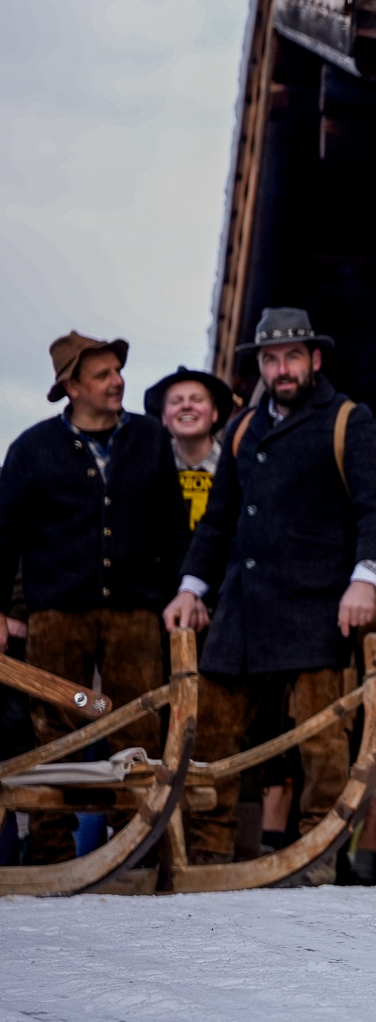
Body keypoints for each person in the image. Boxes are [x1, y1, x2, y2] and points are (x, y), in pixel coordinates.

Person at [165, 308, 376, 880]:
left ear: (314, 359)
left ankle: (318, 857)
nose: (282, 369)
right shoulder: (243, 427)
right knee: (213, 733)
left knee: (322, 740)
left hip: (319, 606)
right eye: (270, 360)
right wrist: (191, 587)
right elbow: (218, 520)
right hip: (242, 607)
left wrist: (365, 579)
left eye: (293, 356)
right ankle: (208, 853)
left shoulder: (348, 419)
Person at [0, 332, 185, 863]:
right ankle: (52, 852)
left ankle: (137, 850)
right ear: (72, 387)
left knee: (139, 728)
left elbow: (173, 527)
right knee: (53, 729)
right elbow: (5, 536)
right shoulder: (32, 448)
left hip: (136, 611)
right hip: (57, 613)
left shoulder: (151, 437)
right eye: (102, 375)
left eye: (117, 371)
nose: (117, 381)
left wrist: (181, 595)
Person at [143, 366, 236, 571]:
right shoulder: (145, 470)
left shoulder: (237, 467)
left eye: (197, 399)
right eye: (176, 401)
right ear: (163, 418)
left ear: (214, 413)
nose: (186, 406)